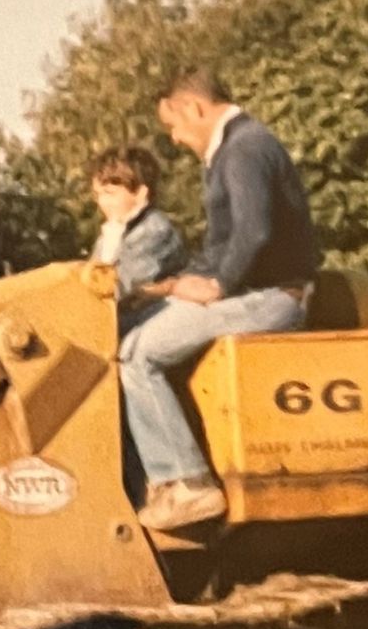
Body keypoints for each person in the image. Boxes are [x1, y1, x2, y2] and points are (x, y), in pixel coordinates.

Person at [118, 67, 319, 530]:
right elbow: (222, 245)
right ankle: (149, 480)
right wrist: (164, 290)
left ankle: (188, 484)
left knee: (136, 354)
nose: (175, 137)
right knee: (127, 329)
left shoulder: (244, 149)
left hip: (272, 298)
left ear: (196, 108)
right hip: (255, 292)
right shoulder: (236, 149)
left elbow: (255, 231)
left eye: (174, 125)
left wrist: (218, 285)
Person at [88, 144, 187, 324]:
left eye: (110, 193)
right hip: (122, 318)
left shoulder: (155, 230)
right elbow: (90, 280)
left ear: (141, 194)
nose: (103, 203)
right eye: (98, 195)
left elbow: (121, 286)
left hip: (153, 316)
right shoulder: (110, 234)